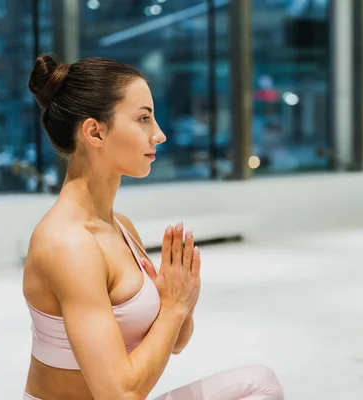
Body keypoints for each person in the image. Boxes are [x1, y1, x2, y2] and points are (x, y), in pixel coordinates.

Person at [22, 54, 284, 400]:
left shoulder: (120, 226)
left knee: (260, 382)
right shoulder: (68, 244)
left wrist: (180, 300)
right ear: (94, 132)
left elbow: (175, 342)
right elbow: (119, 395)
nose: (158, 135)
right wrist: (173, 307)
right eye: (143, 119)